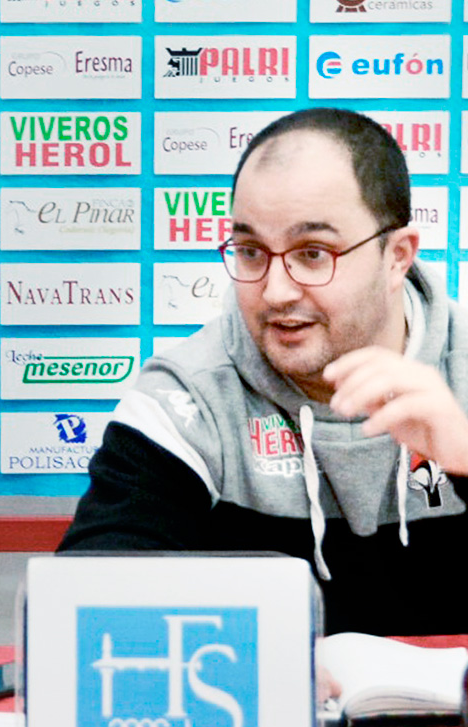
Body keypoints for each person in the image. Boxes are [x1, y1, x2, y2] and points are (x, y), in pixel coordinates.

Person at [59, 107, 468, 637]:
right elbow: (87, 602)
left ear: (397, 256)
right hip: (251, 713)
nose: (275, 292)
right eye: (251, 252)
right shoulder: (189, 395)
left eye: (314, 253)